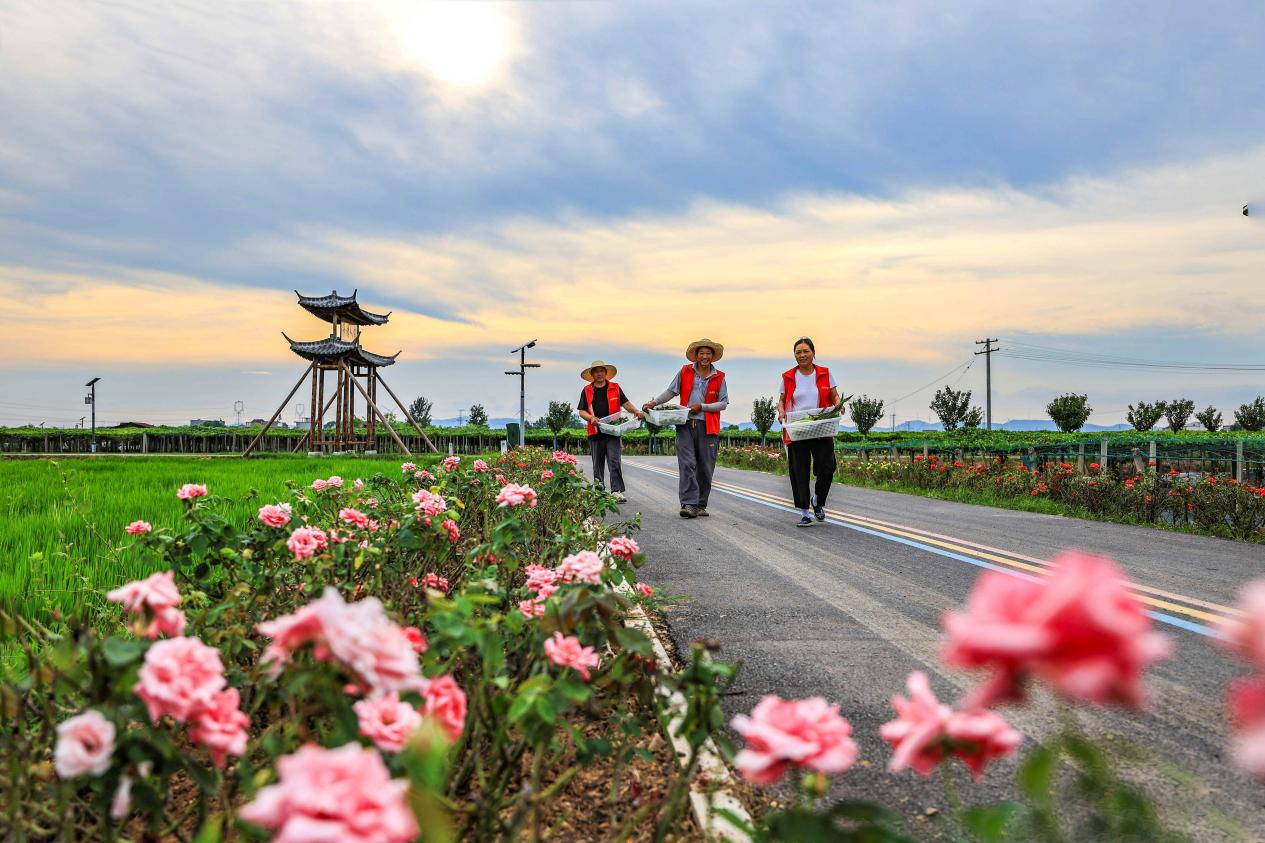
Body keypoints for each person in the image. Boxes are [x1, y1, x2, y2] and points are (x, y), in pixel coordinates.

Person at [643, 339, 729, 518]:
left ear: (712, 356)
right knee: (687, 464)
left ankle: (701, 504)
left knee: (705, 467)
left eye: (708, 353)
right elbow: (671, 392)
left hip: (708, 427)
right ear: (696, 355)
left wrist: (702, 407)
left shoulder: (720, 377)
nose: (704, 356)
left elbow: (722, 404)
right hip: (685, 424)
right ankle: (689, 504)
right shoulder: (685, 371)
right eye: (701, 353)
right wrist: (654, 402)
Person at [778, 336, 839, 527]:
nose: (802, 355)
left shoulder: (825, 373)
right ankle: (805, 513)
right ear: (794, 355)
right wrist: (781, 412)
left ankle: (817, 500)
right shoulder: (788, 376)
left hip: (821, 426)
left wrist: (839, 405)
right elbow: (781, 400)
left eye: (806, 351)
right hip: (798, 428)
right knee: (799, 471)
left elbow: (835, 396)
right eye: (798, 352)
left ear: (813, 353)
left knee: (827, 467)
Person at [576, 360, 644, 503]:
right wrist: (591, 418)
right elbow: (582, 411)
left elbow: (626, 403)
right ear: (592, 374)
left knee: (614, 462)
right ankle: (599, 491)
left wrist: (636, 411)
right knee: (598, 464)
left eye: (602, 371)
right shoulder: (587, 390)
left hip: (613, 431)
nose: (599, 373)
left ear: (606, 373)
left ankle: (616, 491)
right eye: (596, 371)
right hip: (595, 432)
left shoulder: (615, 388)